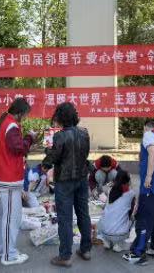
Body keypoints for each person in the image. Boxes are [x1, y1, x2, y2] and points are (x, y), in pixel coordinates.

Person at [42, 102, 92, 267]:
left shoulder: (59, 136)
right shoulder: (84, 133)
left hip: (64, 181)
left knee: (65, 218)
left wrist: (47, 154)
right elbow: (84, 155)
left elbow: (54, 157)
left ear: (60, 117)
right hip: (82, 178)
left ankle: (65, 256)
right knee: (83, 214)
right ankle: (85, 249)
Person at [0, 98, 37, 266]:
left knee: (0, 216)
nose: (25, 117)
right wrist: (30, 138)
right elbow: (19, 148)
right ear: (20, 112)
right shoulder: (11, 125)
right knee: (12, 218)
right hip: (9, 179)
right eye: (25, 114)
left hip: (1, 177)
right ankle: (9, 255)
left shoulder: (5, 122)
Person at [123, 118, 154, 266]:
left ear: (146, 128)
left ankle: (137, 253)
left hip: (151, 186)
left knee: (144, 218)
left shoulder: (149, 135)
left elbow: (153, 153)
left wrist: (149, 176)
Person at [98, 169, 136, 253]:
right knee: (133, 218)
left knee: (107, 216)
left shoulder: (111, 190)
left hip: (104, 231)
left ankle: (107, 241)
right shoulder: (130, 193)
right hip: (119, 234)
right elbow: (131, 212)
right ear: (127, 181)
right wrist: (131, 184)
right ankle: (119, 244)